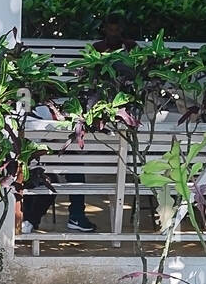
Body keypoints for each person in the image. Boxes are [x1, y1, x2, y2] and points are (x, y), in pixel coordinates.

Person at [21, 12, 135, 234]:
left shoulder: (130, 49)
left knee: (65, 165)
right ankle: (75, 215)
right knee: (69, 165)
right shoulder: (99, 48)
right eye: (110, 28)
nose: (112, 33)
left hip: (101, 134)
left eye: (116, 29)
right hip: (108, 143)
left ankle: (69, 215)